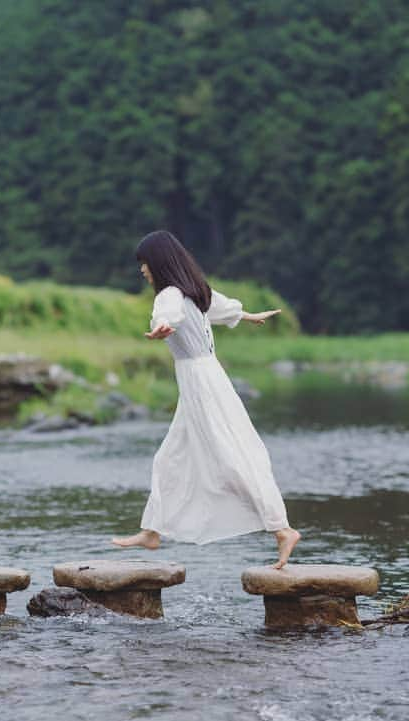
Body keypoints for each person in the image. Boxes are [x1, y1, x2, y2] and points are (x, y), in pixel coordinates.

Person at [112, 230, 302, 569]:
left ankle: (282, 529)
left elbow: (169, 313)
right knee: (169, 458)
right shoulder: (192, 290)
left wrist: (161, 327)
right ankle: (152, 531)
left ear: (158, 262)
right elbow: (218, 306)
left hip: (202, 384)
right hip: (203, 380)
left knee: (233, 458)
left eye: (144, 264)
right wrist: (249, 316)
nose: (142, 271)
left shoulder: (170, 294)